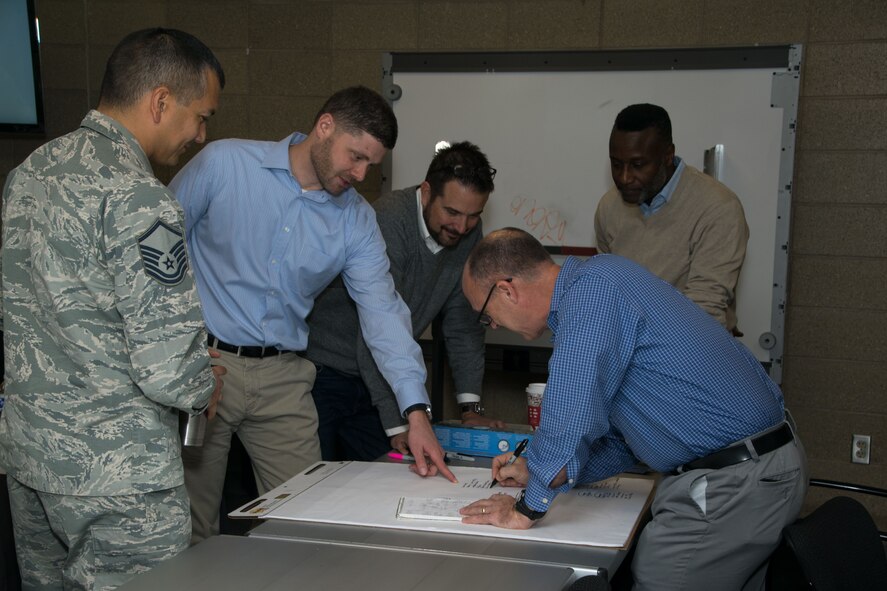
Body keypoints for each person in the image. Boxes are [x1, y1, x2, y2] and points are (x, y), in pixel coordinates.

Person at [169, 85, 456, 544]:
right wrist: (177, 347)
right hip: (207, 366)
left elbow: (384, 314)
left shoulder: (357, 220)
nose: (360, 175)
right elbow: (156, 250)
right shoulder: (224, 164)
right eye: (356, 157)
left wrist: (415, 413)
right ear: (325, 127)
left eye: (371, 165)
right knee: (190, 524)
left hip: (283, 376)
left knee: (306, 521)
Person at [0, 28, 226, 589]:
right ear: (160, 101)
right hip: (119, 476)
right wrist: (205, 385)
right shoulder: (140, 197)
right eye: (201, 117)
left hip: (33, 459)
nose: (200, 136)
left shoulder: (29, 174)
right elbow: (169, 367)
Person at [458, 228, 807, 591]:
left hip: (733, 483)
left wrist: (524, 510)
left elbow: (568, 418)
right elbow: (621, 442)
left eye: (485, 316)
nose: (492, 325)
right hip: (759, 471)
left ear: (506, 290)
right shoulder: (603, 281)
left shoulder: (590, 295)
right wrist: (536, 470)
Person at [307, 141, 506, 462]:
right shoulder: (388, 220)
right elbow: (376, 326)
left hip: (383, 378)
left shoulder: (467, 230)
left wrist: (471, 409)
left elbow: (463, 325)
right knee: (319, 481)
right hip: (327, 373)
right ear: (426, 192)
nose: (461, 227)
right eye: (452, 212)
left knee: (388, 476)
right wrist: (399, 422)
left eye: (473, 216)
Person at [594, 103, 749, 333]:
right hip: (630, 343)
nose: (625, 178)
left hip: (691, 342)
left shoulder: (718, 208)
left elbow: (703, 312)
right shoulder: (609, 207)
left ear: (667, 155)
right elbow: (608, 290)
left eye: (638, 165)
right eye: (616, 165)